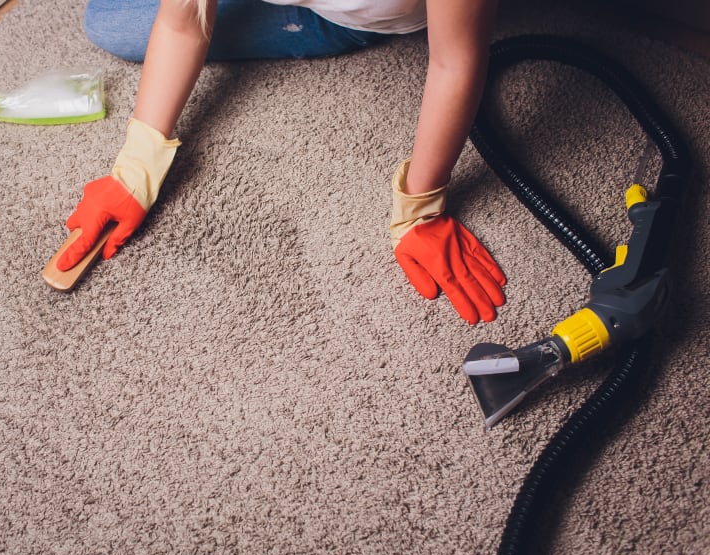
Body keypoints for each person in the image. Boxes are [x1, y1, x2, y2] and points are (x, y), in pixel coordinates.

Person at [58, 0, 506, 325]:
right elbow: (182, 23)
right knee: (108, 20)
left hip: (384, 15)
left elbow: (456, 60)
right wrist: (138, 166)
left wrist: (420, 205)